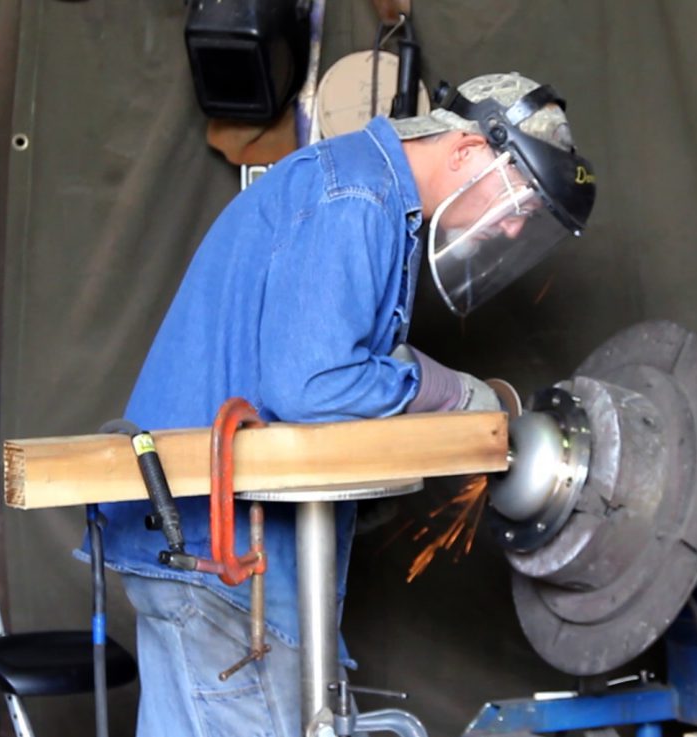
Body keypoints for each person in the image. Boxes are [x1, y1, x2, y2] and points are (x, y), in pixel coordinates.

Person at [80, 71, 596, 736]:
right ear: (469, 152)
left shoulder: (374, 195)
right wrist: (443, 390)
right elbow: (313, 386)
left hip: (224, 553)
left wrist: (412, 384)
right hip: (217, 555)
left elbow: (321, 378)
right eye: (520, 202)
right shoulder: (354, 197)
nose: (511, 227)